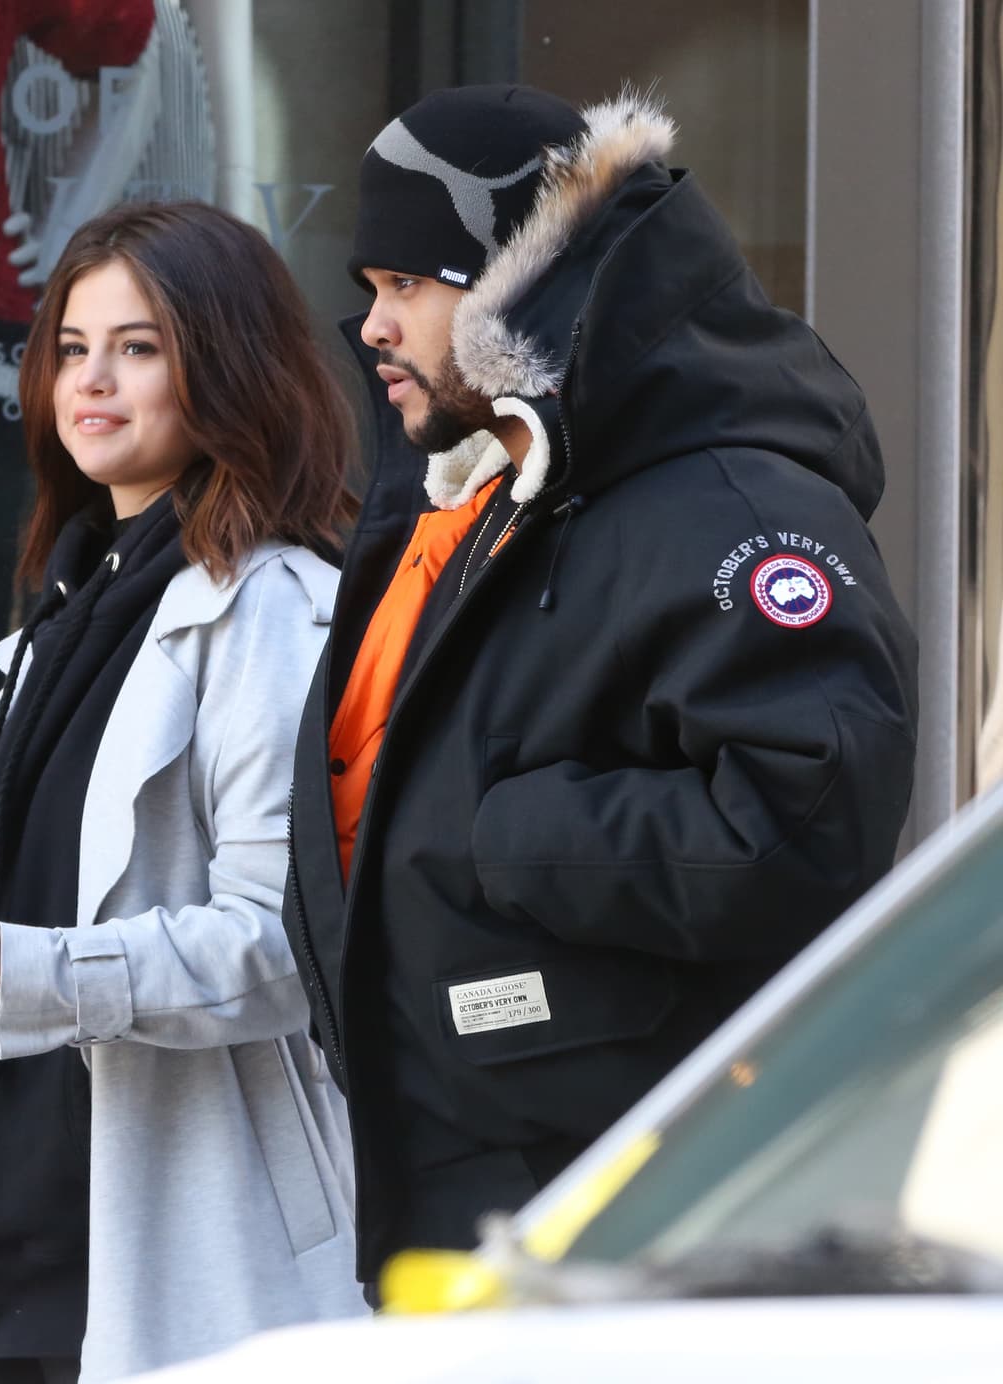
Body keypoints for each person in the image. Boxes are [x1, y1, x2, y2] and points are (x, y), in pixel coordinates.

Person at [282, 85, 919, 1294]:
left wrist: (494, 836)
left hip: (634, 1211)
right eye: (368, 290)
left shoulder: (732, 505)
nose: (369, 326)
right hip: (463, 1190)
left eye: (405, 285)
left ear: (522, 282)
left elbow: (806, 818)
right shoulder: (473, 506)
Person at [0, 201, 367, 1384]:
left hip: (143, 1237)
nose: (92, 382)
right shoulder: (66, 612)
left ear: (224, 366)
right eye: (72, 348)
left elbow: (281, 946)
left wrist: (8, 965)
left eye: (138, 347)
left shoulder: (268, 610)